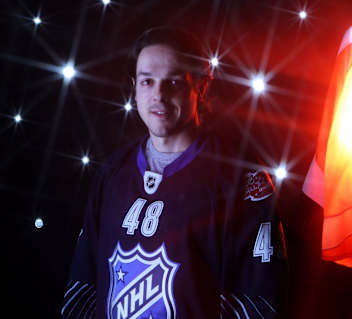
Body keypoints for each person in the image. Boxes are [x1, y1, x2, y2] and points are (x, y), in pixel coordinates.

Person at [61, 26, 288, 319]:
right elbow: (84, 284)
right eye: (147, 82)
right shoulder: (112, 173)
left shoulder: (241, 177)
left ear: (202, 87)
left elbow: (261, 297)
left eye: (173, 82)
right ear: (134, 86)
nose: (159, 95)